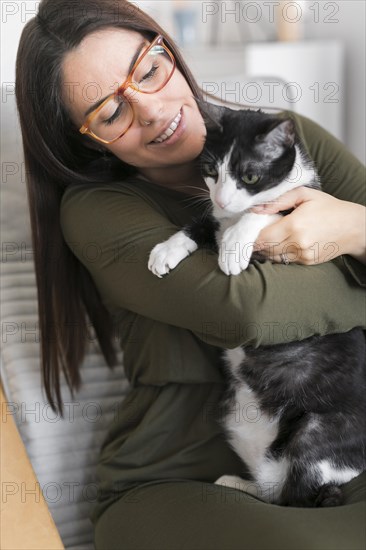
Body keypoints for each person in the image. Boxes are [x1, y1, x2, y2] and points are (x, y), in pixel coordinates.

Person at [15, 0, 365, 548]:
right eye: (111, 113)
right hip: (173, 485)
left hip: (327, 455)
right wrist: (349, 240)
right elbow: (243, 310)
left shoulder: (289, 140)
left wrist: (358, 233)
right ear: (86, 140)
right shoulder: (97, 210)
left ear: (170, 52)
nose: (152, 111)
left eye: (150, 69)